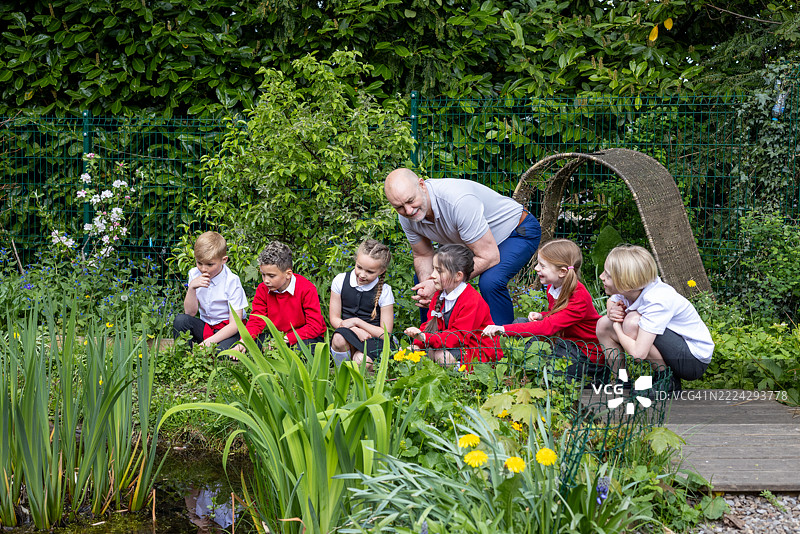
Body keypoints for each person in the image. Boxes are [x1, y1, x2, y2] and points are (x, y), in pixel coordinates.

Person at [384, 168, 541, 326]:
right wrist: (430, 286)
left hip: (515, 231)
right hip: (473, 242)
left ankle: (501, 340)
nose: (409, 211)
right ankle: (430, 339)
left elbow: (489, 256)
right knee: (425, 280)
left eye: (411, 201)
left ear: (422, 185)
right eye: (400, 207)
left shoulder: (458, 201)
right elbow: (423, 255)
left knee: (490, 281)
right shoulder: (405, 216)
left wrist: (439, 283)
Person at [482, 239, 606, 382]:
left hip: (584, 356)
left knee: (547, 361)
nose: (536, 268)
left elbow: (548, 327)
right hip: (564, 345)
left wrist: (503, 328)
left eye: (542, 265)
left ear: (562, 272)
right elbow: (560, 317)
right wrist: (543, 315)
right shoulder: (552, 287)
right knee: (521, 323)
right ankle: (528, 371)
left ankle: (533, 373)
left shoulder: (579, 296)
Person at [596, 245, 714, 393]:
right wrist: (612, 311)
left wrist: (617, 327)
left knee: (632, 322)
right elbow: (613, 300)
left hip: (692, 360)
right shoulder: (634, 289)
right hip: (673, 348)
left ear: (626, 284)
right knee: (603, 324)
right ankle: (621, 379)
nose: (601, 277)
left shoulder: (657, 299)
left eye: (607, 275)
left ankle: (666, 380)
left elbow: (638, 354)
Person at [404, 244, 502, 366]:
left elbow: (459, 336)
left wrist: (425, 338)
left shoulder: (472, 300)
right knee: (420, 352)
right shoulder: (439, 295)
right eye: (433, 269)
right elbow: (429, 325)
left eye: (439, 271)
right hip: (451, 345)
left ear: (458, 276)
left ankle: (460, 380)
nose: (432, 275)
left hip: (476, 349)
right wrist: (417, 344)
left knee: (441, 356)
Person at [234, 241, 326, 353]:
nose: (266, 280)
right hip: (277, 335)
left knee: (303, 350)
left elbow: (314, 326)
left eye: (271, 276)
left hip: (304, 337)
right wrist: (244, 341)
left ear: (288, 274)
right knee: (253, 344)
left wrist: (283, 340)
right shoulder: (263, 289)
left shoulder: (306, 289)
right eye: (263, 274)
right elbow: (257, 320)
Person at [173, 231, 249, 353]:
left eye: (210, 264)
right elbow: (190, 313)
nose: (203, 269)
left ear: (224, 260)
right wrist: (192, 288)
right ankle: (183, 357)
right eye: (199, 263)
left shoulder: (231, 281)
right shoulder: (194, 273)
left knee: (219, 352)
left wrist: (209, 342)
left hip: (228, 331)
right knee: (180, 320)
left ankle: (207, 351)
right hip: (206, 327)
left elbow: (235, 325)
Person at [329, 239, 394, 371]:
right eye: (359, 267)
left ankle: (366, 384)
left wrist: (357, 322)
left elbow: (385, 334)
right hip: (347, 331)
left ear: (381, 271)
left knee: (361, 361)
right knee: (338, 339)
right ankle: (340, 373)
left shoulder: (385, 291)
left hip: (373, 339)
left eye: (370, 272)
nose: (362, 275)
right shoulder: (340, 280)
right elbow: (334, 319)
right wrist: (354, 329)